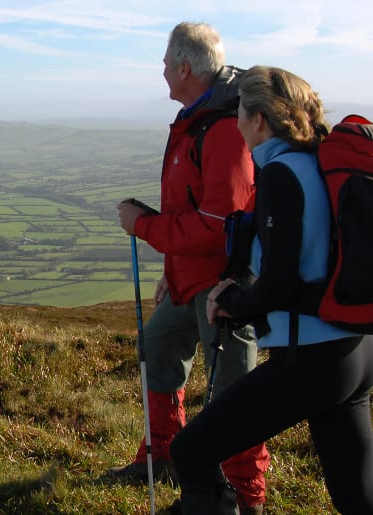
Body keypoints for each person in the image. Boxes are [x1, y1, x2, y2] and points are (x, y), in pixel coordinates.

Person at [170, 65, 373, 514]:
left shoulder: (282, 173)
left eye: (240, 111)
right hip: (354, 352)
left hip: (309, 358)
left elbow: (281, 283)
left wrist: (230, 304)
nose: (237, 122)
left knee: (192, 450)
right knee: (357, 497)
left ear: (258, 119)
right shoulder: (319, 162)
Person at [113, 22, 269, 513]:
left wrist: (143, 227)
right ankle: (163, 456)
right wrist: (170, 267)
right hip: (189, 279)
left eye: (164, 62)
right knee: (157, 344)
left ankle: (246, 496)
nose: (161, 71)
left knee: (233, 393)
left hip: (225, 286)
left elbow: (216, 224)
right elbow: (195, 213)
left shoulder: (223, 128)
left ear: (184, 67)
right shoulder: (195, 120)